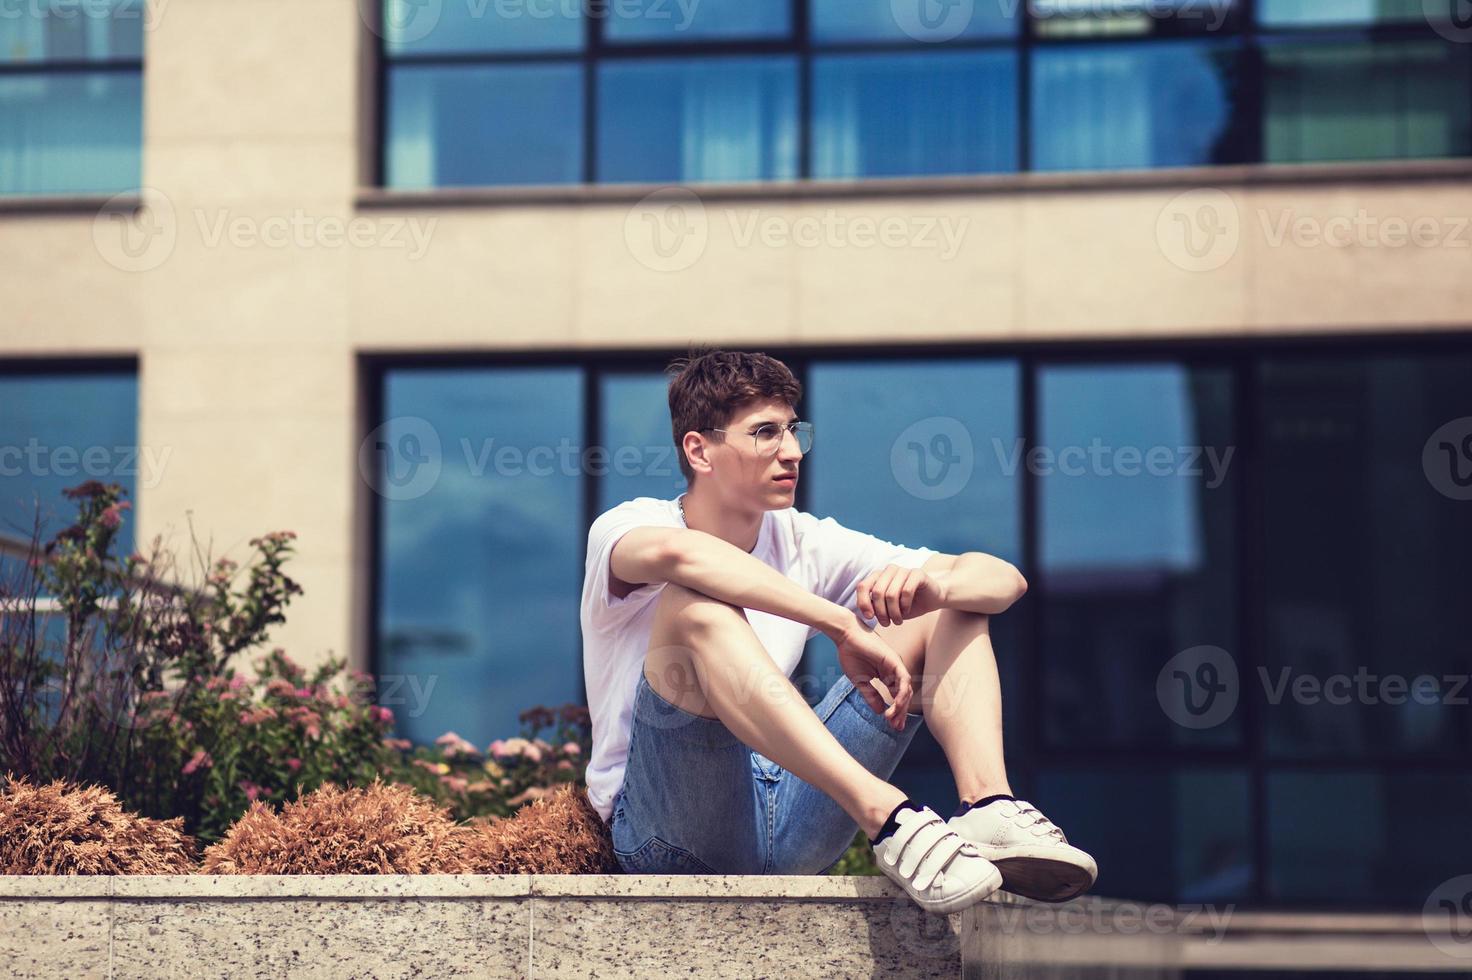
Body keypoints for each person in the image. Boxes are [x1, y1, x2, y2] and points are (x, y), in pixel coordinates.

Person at [578, 347, 1097, 914]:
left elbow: (1003, 580)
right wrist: (838, 621)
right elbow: (687, 559)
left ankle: (990, 809)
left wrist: (935, 590)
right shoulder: (629, 527)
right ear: (699, 450)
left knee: (947, 608)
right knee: (697, 608)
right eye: (765, 433)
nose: (793, 451)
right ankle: (889, 818)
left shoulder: (802, 538)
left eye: (796, 431)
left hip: (790, 819)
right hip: (668, 834)